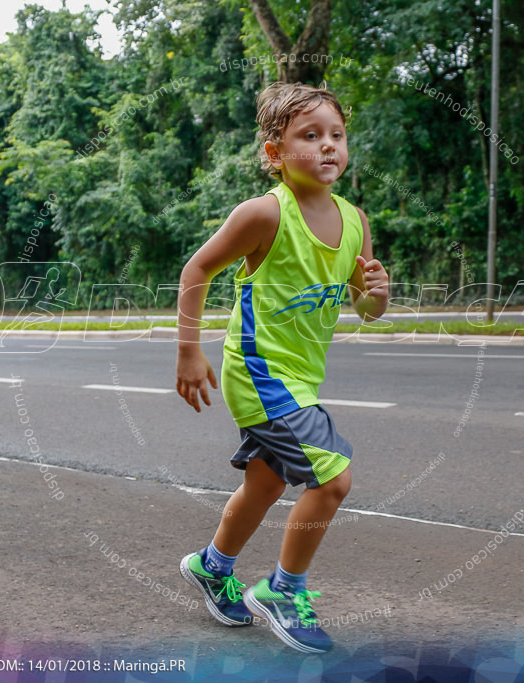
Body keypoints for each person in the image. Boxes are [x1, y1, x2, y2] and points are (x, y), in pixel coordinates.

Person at [175, 82, 389, 653]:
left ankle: (212, 566)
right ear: (274, 153)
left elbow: (364, 310)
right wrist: (188, 351)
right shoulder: (265, 215)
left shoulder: (354, 221)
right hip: (260, 372)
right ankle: (282, 590)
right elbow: (196, 271)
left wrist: (377, 295)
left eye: (337, 136)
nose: (328, 147)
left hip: (299, 376)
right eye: (310, 136)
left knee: (266, 482)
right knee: (333, 476)